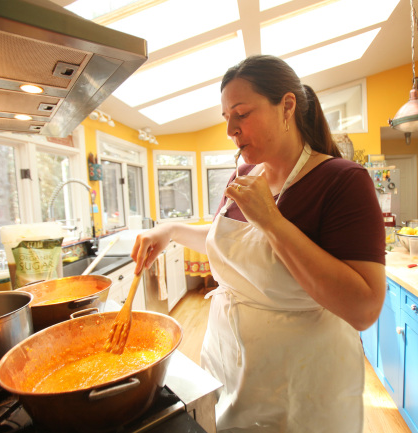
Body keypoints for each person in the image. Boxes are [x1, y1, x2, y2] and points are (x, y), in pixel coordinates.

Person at [131, 54, 386, 433]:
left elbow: (364, 308)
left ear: (286, 106)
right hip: (229, 360)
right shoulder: (245, 175)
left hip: (302, 384)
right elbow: (230, 246)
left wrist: (270, 220)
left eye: (242, 113)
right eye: (226, 118)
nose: (231, 129)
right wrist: (171, 230)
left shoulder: (342, 180)